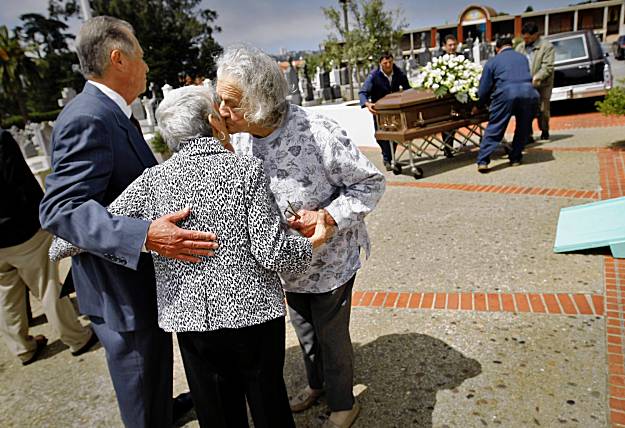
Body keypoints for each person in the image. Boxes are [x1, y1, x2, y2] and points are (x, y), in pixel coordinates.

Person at [50, 84, 334, 428]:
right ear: (214, 121)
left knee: (216, 412)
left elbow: (61, 244)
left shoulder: (152, 181)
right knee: (268, 402)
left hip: (191, 321)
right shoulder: (245, 171)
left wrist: (137, 236)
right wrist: (316, 240)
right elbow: (273, 253)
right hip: (254, 315)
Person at [39, 16, 217, 427]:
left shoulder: (111, 112)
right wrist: (145, 235)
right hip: (119, 293)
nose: (147, 64)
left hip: (133, 284)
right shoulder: (89, 117)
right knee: (139, 390)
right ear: (118, 58)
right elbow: (61, 209)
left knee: (150, 378)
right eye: (139, 53)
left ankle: (159, 407)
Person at [213, 45, 386, 428]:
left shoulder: (318, 132)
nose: (221, 111)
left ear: (259, 103)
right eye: (219, 100)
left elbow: (370, 185)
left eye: (231, 103)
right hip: (287, 265)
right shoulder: (240, 139)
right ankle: (317, 385)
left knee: (331, 336)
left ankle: (343, 403)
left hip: (330, 262)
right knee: (304, 329)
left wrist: (327, 214)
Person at [0, 128, 98, 365]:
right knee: (47, 284)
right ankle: (76, 338)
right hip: (19, 228)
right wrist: (44, 215)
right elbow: (20, 180)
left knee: (6, 294)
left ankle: (23, 348)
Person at [473, 36, 539, 172]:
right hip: (529, 93)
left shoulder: (493, 61)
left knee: (496, 126)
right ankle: (515, 157)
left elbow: (484, 88)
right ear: (511, 46)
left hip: (506, 93)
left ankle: (483, 161)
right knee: (523, 126)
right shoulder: (523, 58)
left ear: (497, 49)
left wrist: (479, 104)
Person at [359, 52, 410, 171]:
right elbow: (362, 93)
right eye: (385, 63)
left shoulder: (399, 73)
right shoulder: (373, 76)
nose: (388, 65)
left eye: (390, 62)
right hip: (380, 112)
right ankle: (387, 158)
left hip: (395, 110)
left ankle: (390, 159)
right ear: (380, 63)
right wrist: (367, 103)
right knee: (381, 136)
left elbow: (408, 89)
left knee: (396, 135)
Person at [516, 21, 555, 141]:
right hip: (525, 84)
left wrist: (537, 77)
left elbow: (547, 67)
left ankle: (544, 130)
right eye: (524, 38)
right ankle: (528, 134)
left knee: (543, 110)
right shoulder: (520, 47)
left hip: (542, 83)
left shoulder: (547, 47)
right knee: (525, 109)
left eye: (528, 38)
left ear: (536, 35)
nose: (526, 40)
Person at [438, 34, 459, 158]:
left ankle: (450, 145)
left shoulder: (462, 57)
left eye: (454, 44)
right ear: (444, 46)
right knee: (446, 123)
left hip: (460, 94)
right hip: (445, 96)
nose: (452, 47)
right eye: (450, 45)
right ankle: (448, 147)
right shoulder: (439, 61)